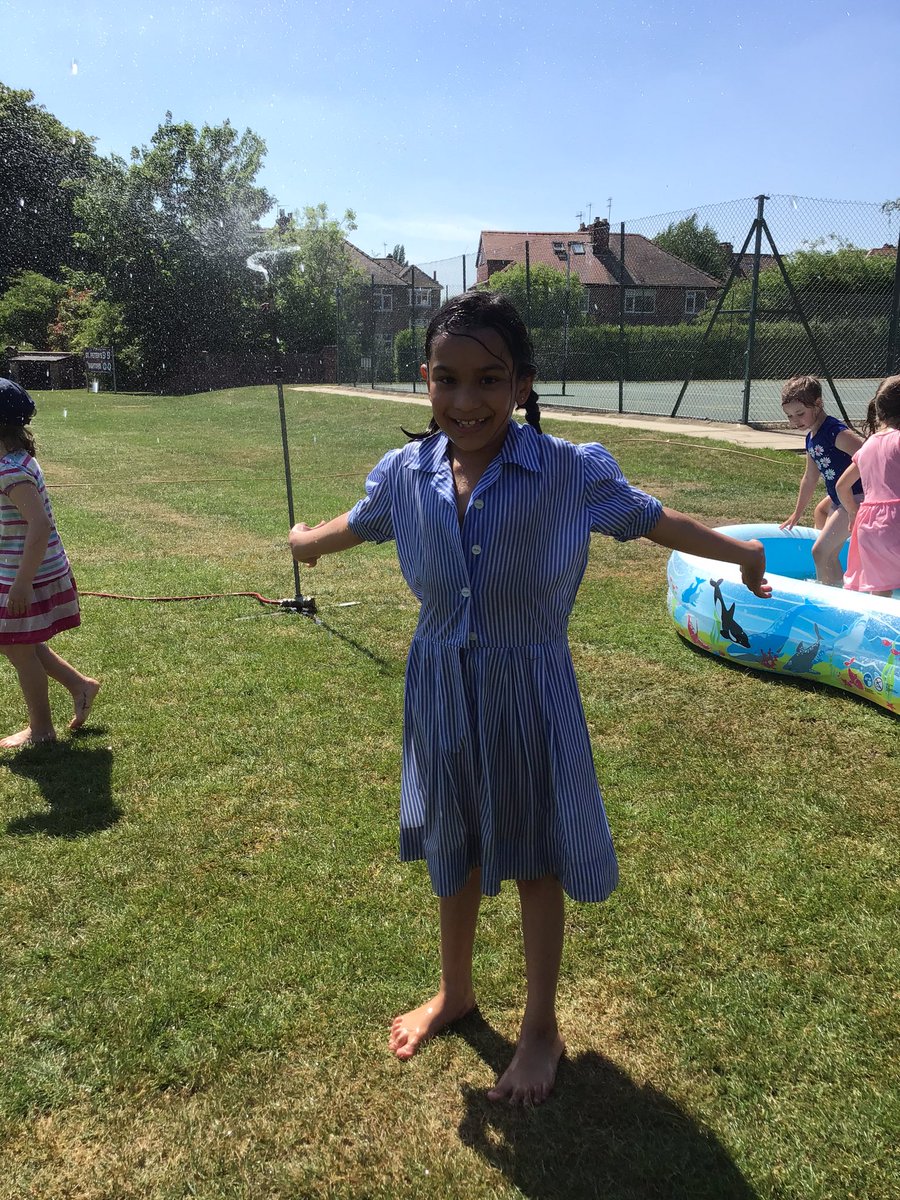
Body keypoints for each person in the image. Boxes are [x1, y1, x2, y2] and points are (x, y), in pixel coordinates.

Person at [289, 292, 771, 1106]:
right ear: (424, 381)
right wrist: (305, 543)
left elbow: (657, 521)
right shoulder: (403, 474)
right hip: (439, 685)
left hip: (529, 687)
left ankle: (540, 1027)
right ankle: (456, 991)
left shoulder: (568, 472)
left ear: (522, 385)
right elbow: (356, 521)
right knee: (458, 843)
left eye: (489, 379)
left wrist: (745, 551)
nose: (466, 400)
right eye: (447, 380)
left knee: (536, 856)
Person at [0, 379, 99, 749]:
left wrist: (23, 583)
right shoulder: (14, 460)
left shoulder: (11, 471)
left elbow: (38, 526)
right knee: (17, 642)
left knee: (19, 646)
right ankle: (80, 685)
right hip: (19, 569)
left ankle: (41, 730)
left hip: (28, 573)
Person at [779, 375, 864, 586]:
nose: (795, 421)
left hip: (855, 498)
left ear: (818, 404)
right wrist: (797, 513)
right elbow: (809, 478)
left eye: (800, 414)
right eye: (789, 416)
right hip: (841, 499)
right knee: (827, 551)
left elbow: (870, 454)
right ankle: (837, 592)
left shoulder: (834, 432)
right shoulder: (812, 437)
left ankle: (825, 596)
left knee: (820, 552)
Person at [836, 375, 900, 598]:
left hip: (869, 526)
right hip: (896, 521)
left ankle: (882, 632)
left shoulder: (869, 444)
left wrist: (854, 513)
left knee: (880, 590)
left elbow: (841, 486)